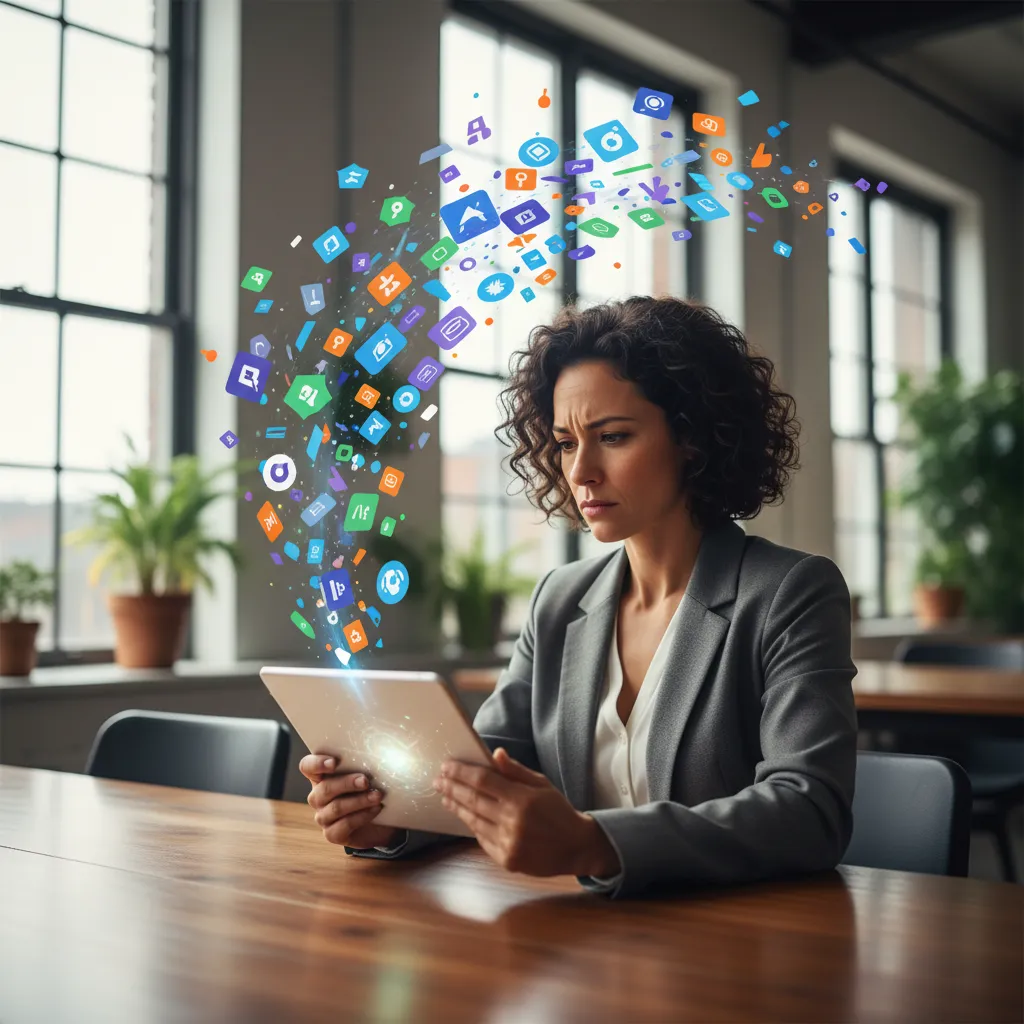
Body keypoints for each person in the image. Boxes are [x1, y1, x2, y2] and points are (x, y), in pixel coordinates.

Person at [301, 296, 858, 899]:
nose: (581, 470)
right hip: (582, 943)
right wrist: (389, 816)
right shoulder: (559, 600)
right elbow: (487, 772)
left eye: (613, 436)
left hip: (735, 947)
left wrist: (594, 843)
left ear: (693, 440)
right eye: (566, 443)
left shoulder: (789, 592)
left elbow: (810, 811)